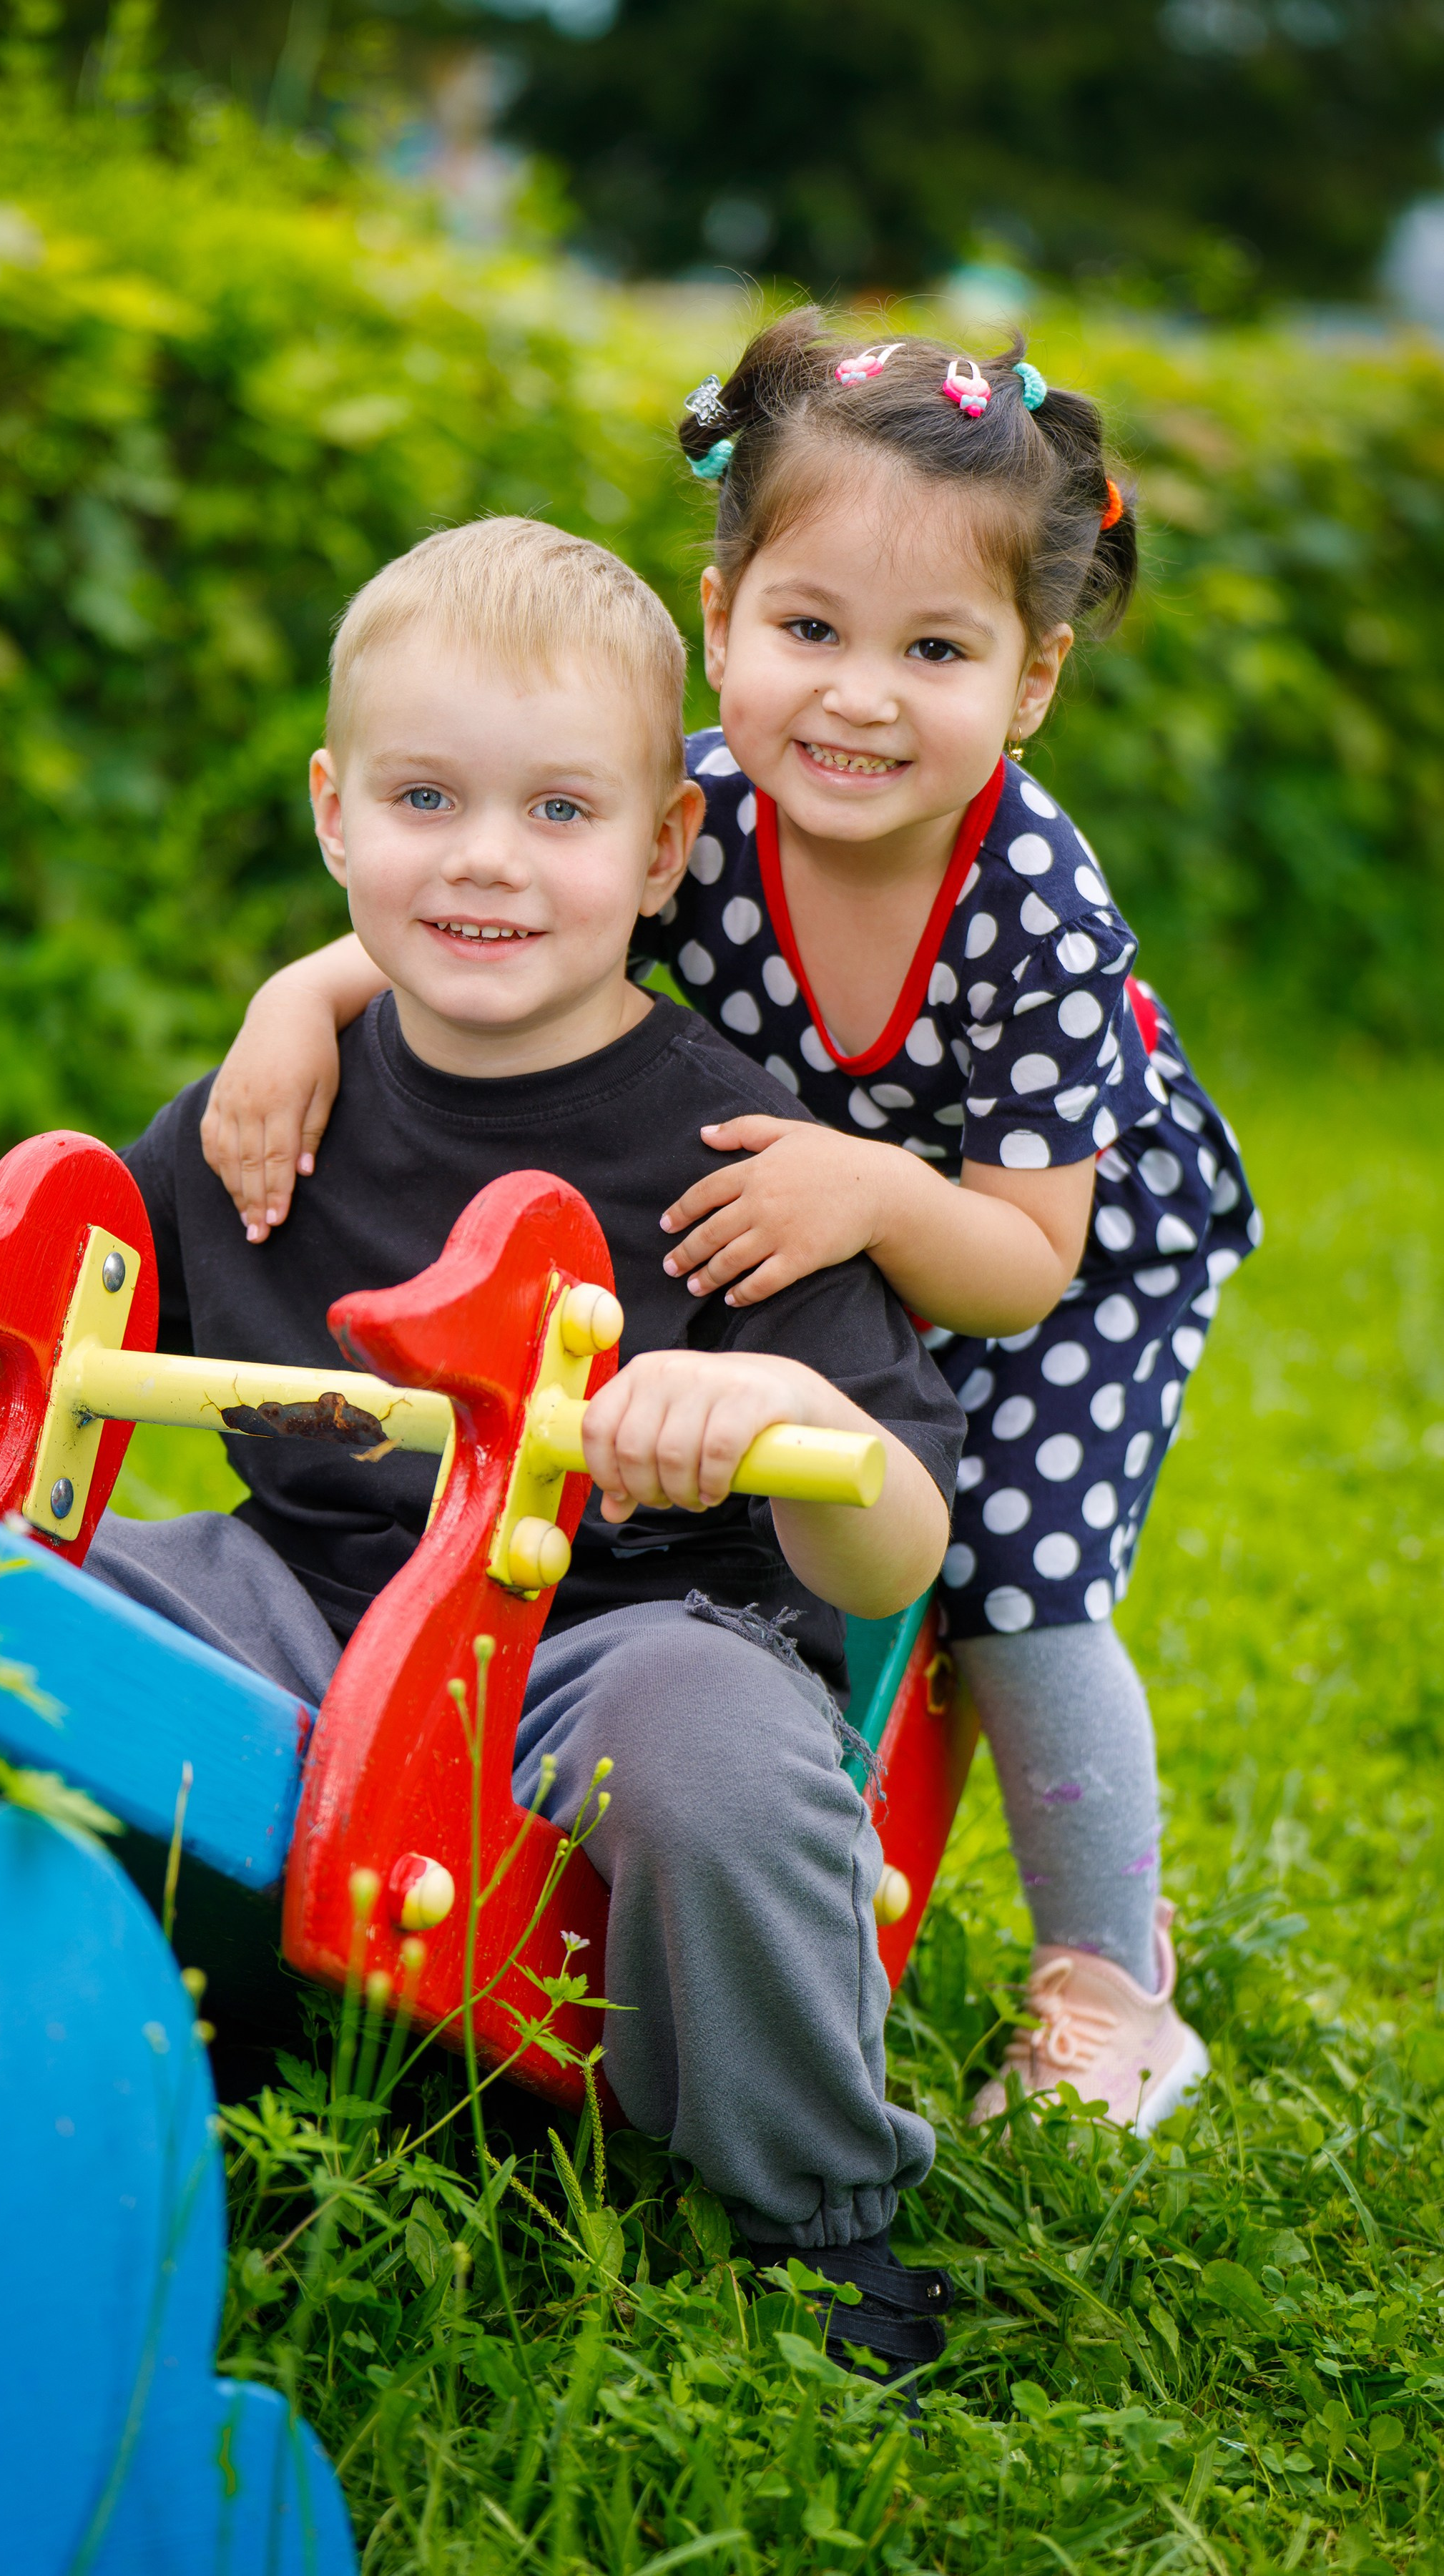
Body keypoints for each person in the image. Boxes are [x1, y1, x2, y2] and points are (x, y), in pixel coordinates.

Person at [198, 321, 1260, 2138]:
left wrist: (875, 1191)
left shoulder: (1032, 912)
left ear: (1029, 680)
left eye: (932, 650)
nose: (854, 694)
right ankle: (766, 1807)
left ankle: (1104, 1975)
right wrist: (295, 1004)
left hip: (1059, 1225)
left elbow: (1017, 1259)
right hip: (811, 1215)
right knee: (773, 1499)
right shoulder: (694, 805)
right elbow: (525, 892)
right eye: (809, 629)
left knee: (1007, 1561)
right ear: (720, 618)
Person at [94, 515, 965, 2376]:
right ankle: (126, 2025)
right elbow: (95, 1332)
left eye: (559, 814)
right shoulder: (275, 1109)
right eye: (424, 797)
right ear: (334, 815)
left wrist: (788, 1416)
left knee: (713, 1756)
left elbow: (898, 1550)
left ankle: (815, 2214)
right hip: (308, 1591)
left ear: (659, 852)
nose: (484, 858)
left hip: (616, 1632)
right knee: (31, 1604)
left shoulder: (729, 1158)